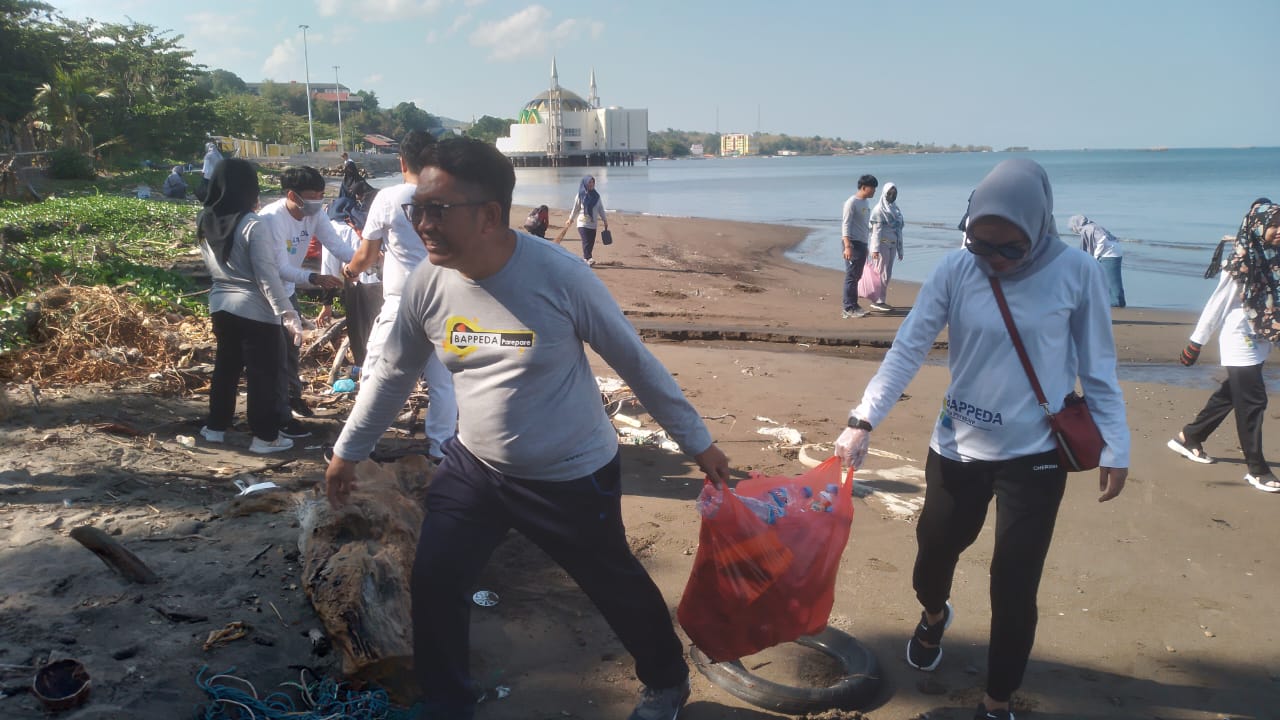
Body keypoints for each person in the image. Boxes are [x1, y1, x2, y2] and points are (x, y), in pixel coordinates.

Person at [325, 137, 732, 720]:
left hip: (570, 472)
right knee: (436, 580)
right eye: (418, 208)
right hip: (475, 467)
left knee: (612, 581)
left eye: (438, 209)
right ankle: (448, 703)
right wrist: (349, 451)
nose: (423, 224)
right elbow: (391, 373)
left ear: (489, 215)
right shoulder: (427, 284)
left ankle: (667, 680)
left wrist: (698, 441)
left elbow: (635, 362)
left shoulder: (560, 277)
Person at [833, 159, 1129, 720]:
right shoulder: (955, 270)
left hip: (1035, 457)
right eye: (980, 244)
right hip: (957, 447)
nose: (993, 259)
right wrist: (863, 419)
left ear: (1038, 227)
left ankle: (997, 702)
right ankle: (934, 614)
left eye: (1009, 249)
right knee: (932, 555)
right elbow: (908, 349)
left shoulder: (1078, 273)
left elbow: (1098, 368)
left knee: (1014, 584)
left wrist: (1117, 442)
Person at [341, 130, 457, 461]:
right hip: (445, 300)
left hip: (402, 302)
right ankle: (441, 447)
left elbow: (366, 255)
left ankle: (361, 446)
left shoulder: (388, 198)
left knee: (375, 372)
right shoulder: (449, 199)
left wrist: (349, 271)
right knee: (443, 381)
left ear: (402, 162)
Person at [1168, 202, 1280, 492]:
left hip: (1260, 339)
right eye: (1274, 225)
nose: (1279, 231)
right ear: (1258, 226)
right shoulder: (1240, 262)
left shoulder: (1272, 256)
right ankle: (1257, 469)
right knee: (1253, 401)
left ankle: (1190, 437)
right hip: (1238, 339)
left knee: (1231, 394)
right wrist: (1196, 342)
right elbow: (1217, 304)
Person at [195, 158, 300, 454]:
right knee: (262, 376)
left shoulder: (204, 220)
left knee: (225, 369)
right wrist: (288, 313)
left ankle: (215, 428)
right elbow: (266, 275)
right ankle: (265, 438)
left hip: (220, 305)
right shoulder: (253, 224)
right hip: (255, 311)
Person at [257, 166, 352, 428]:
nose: (318, 202)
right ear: (292, 195)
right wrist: (314, 278)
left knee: (292, 347)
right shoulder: (271, 219)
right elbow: (279, 268)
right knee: (273, 352)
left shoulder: (315, 214)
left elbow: (337, 245)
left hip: (288, 292)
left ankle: (292, 398)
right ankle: (275, 410)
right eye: (313, 196)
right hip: (265, 294)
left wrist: (365, 262)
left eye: (321, 195)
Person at [320, 192, 383, 368]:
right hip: (384, 283)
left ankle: (364, 367)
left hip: (359, 285)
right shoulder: (366, 222)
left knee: (361, 331)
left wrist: (326, 305)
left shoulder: (335, 227)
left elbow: (328, 268)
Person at [1067, 215, 1126, 308]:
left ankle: (1117, 302)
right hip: (1113, 250)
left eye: (1073, 227)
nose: (1074, 230)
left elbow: (1102, 240)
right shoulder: (1092, 226)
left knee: (1112, 280)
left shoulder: (1088, 228)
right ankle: (1115, 301)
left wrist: (1095, 257)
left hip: (1109, 253)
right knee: (1108, 278)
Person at [840, 174, 878, 318]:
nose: (874, 191)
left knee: (857, 276)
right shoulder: (851, 202)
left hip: (861, 244)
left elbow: (863, 225)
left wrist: (866, 245)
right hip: (852, 243)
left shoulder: (865, 203)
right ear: (863, 187)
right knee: (851, 276)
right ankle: (848, 307)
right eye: (872, 188)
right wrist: (847, 246)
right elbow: (846, 224)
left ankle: (854, 305)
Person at [867, 181, 905, 312]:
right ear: (884, 194)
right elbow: (876, 232)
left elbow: (899, 230)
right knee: (881, 273)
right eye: (890, 193)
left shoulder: (896, 209)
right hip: (882, 245)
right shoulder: (879, 210)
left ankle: (880, 298)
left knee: (887, 274)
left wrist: (900, 249)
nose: (892, 196)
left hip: (893, 244)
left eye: (895, 193)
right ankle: (878, 301)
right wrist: (875, 250)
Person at [554, 175, 609, 265]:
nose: (591, 184)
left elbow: (600, 209)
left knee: (591, 242)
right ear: (585, 183)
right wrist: (570, 219)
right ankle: (588, 258)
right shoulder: (580, 195)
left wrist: (605, 220)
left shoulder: (597, 196)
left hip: (593, 224)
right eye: (589, 182)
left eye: (593, 182)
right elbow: (575, 208)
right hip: (582, 223)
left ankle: (586, 259)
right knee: (586, 241)